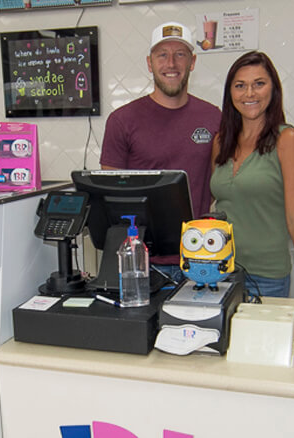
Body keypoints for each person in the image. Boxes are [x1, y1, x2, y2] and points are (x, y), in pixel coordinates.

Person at [100, 21, 220, 280]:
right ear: (149, 62)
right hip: (142, 263)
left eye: (180, 54)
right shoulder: (122, 120)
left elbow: (221, 184)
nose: (171, 64)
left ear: (192, 62)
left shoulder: (213, 117)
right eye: (162, 55)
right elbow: (109, 198)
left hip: (201, 258)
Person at [209, 51, 294, 302]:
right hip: (220, 270)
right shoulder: (221, 141)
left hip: (267, 276)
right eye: (240, 86)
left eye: (259, 84)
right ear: (230, 93)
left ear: (273, 89)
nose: (249, 93)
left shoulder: (288, 140)